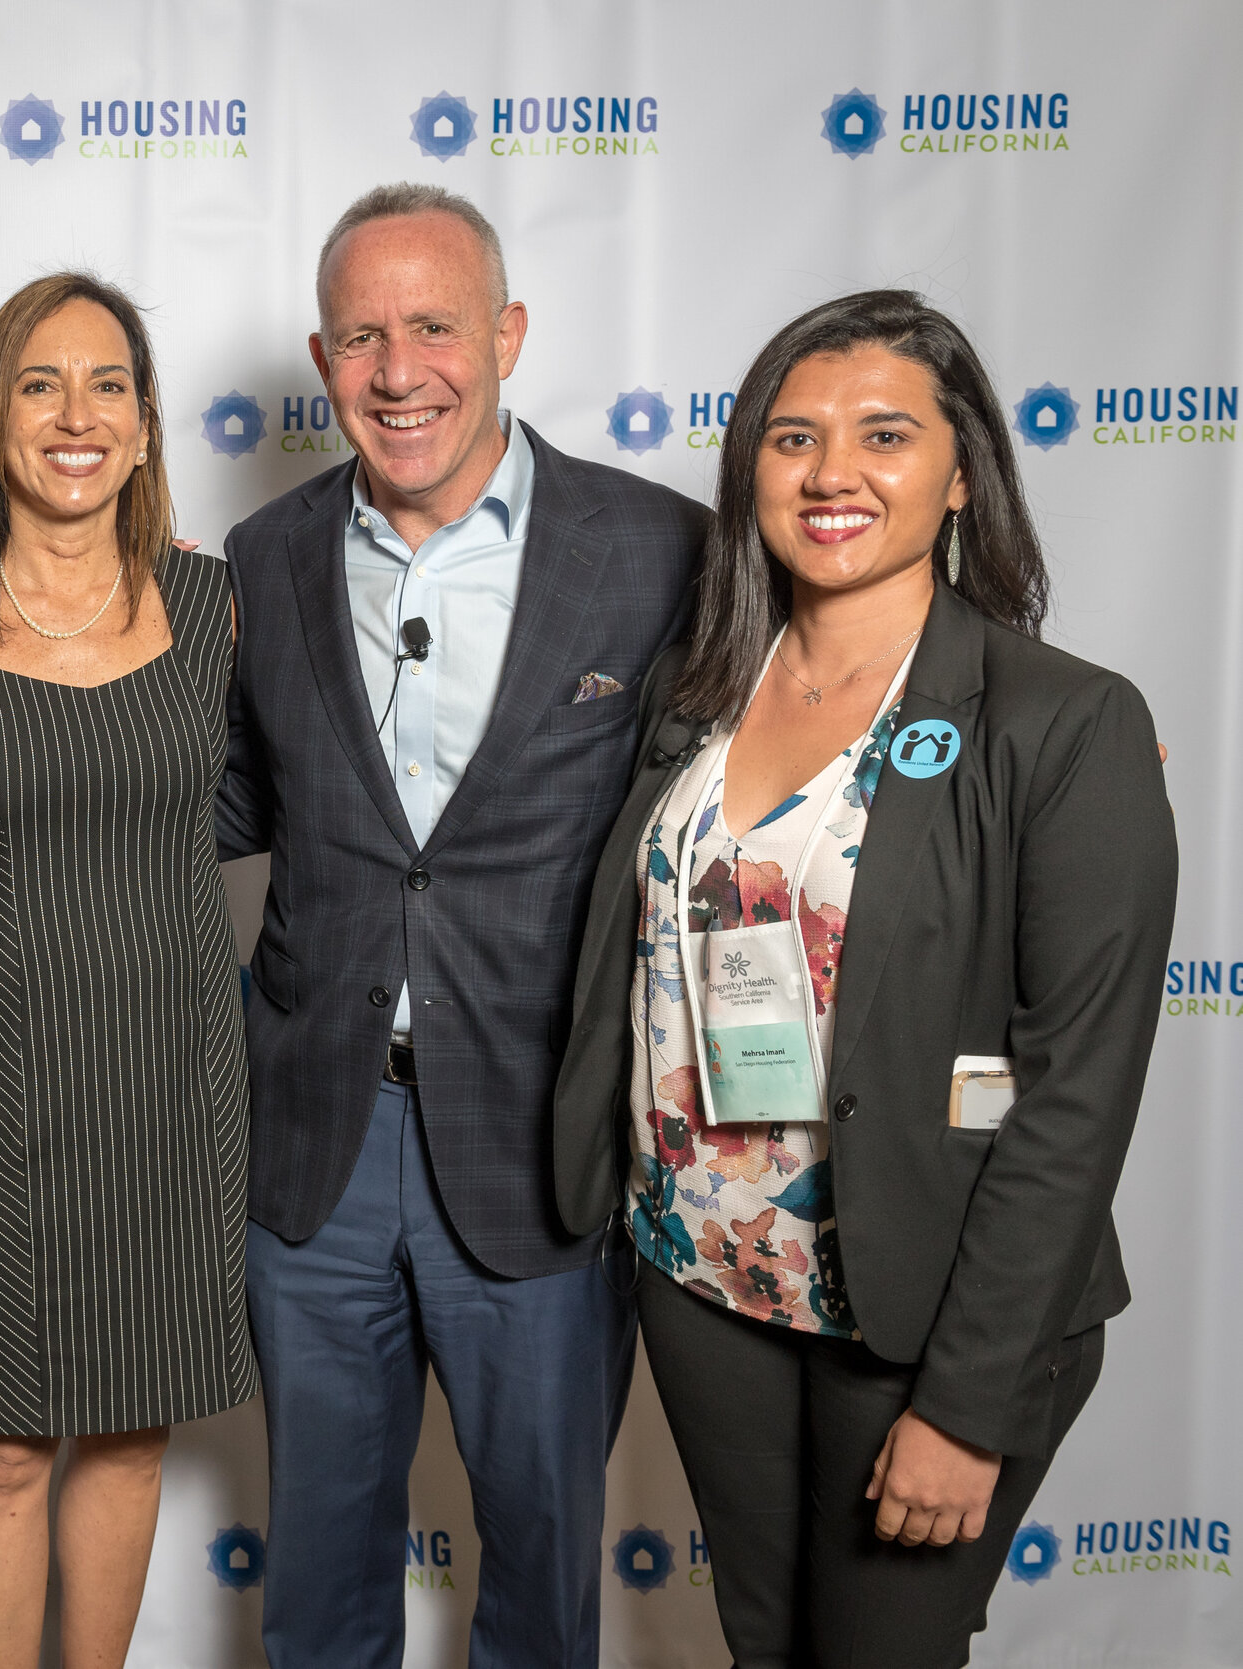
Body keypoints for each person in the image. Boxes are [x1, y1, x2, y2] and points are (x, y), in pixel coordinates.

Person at [552, 289, 1176, 1666]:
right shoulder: (700, 691)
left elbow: (1074, 1102)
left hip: (923, 1311)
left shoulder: (1062, 722)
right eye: (793, 438)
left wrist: (967, 1404)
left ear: (962, 474)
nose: (833, 472)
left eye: (884, 435)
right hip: (704, 1275)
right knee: (765, 1644)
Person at [217, 182, 709, 1668]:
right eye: (362, 334)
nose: (397, 368)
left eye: (433, 325)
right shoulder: (260, 560)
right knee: (317, 1560)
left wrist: (1024, 728)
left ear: (505, 334)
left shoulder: (659, 550)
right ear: (320, 357)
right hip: (316, 1139)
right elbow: (202, 799)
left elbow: (796, 728)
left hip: (541, 1141)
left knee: (547, 1559)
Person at [0, 273, 254, 1669]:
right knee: (6, 1450)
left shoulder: (220, 605)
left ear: (149, 429)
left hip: (172, 1072)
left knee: (132, 1430)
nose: (77, 414)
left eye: (109, 385)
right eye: (40, 384)